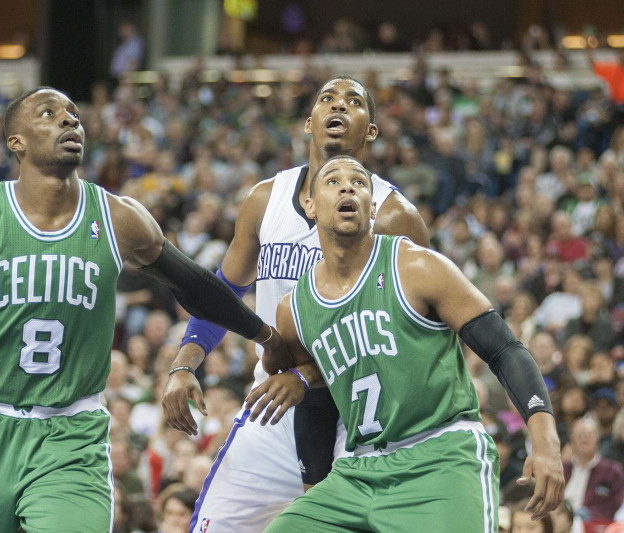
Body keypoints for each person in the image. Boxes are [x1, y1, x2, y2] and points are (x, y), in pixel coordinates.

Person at [0, 86, 285, 532]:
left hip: (71, 433)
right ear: (17, 142)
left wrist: (267, 337)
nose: (70, 120)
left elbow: (195, 286)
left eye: (73, 113)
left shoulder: (119, 218)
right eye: (48, 113)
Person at [162, 75, 429, 532]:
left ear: (371, 131)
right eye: (327, 99)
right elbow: (226, 291)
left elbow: (403, 337)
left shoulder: (393, 214)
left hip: (359, 414)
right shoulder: (265, 199)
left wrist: (307, 376)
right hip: (274, 407)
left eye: (353, 101)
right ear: (309, 123)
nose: (338, 106)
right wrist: (186, 361)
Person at [246, 156, 563, 531]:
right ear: (309, 205)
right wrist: (301, 379)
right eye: (332, 181)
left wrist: (545, 440)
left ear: (374, 206)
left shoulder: (417, 267)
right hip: (358, 471)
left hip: (441, 456)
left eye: (360, 183)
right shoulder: (293, 309)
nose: (348, 187)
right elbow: (320, 397)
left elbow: (504, 349)